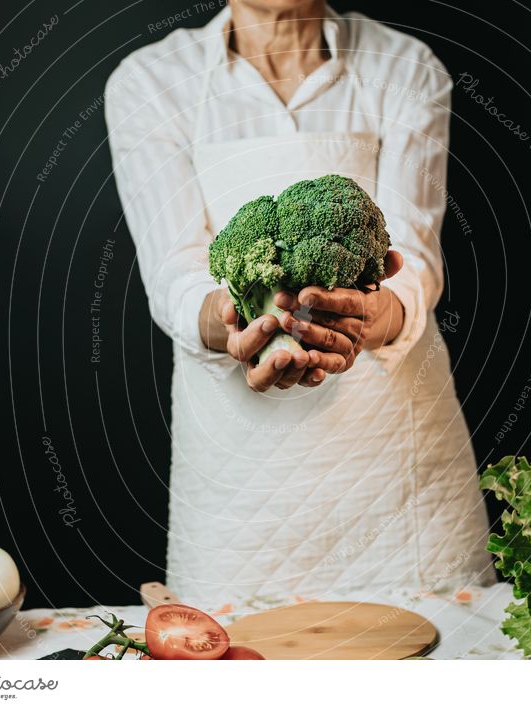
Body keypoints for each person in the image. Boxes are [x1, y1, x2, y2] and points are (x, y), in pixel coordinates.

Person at [106, 0, 494, 607]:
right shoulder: (152, 81)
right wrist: (237, 322)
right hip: (238, 482)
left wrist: (377, 315)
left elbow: (413, 261)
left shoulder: (406, 67)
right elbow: (175, 273)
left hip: (396, 464)